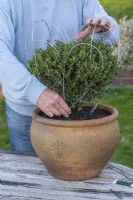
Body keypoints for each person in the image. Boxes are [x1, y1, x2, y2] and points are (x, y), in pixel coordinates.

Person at [0, 0, 120, 153]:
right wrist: (35, 91)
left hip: (73, 106)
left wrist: (105, 30)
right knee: (27, 173)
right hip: (25, 112)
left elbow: (111, 31)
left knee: (76, 171)